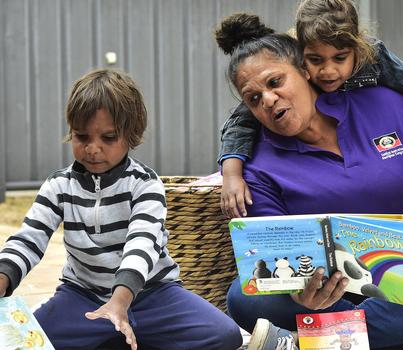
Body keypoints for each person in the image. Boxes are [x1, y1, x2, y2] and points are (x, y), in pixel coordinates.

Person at [214, 13, 403, 350]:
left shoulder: (388, 105)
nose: (267, 100)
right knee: (243, 297)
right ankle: (397, 335)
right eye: (253, 98)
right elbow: (272, 256)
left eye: (275, 82)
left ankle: (315, 341)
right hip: (322, 298)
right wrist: (301, 297)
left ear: (305, 71)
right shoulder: (256, 168)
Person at [0, 69, 243, 350]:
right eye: (82, 136)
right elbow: (29, 239)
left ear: (131, 135)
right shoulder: (58, 186)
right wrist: (5, 274)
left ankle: (120, 332)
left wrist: (120, 302)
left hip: (153, 295)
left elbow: (142, 244)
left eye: (108, 137)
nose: (93, 148)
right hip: (83, 298)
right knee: (26, 340)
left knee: (225, 335)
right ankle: (115, 335)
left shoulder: (145, 184)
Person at [218, 0, 403, 219]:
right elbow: (239, 123)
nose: (328, 71)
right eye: (315, 60)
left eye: (340, 58)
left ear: (357, 48)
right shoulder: (282, 70)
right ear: (302, 62)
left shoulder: (374, 61)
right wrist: (231, 173)